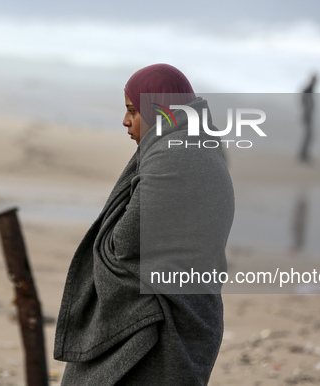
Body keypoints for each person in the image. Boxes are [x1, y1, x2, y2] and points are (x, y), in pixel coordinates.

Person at [54, 64, 234, 385]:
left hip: (162, 322)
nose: (126, 121)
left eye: (133, 111)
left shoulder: (175, 157)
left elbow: (124, 243)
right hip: (190, 312)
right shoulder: (202, 145)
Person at [299, 73, 318, 163]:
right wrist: (307, 112)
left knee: (309, 135)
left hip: (308, 115)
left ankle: (304, 154)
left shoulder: (310, 89)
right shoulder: (308, 89)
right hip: (307, 115)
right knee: (308, 135)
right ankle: (303, 154)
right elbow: (305, 102)